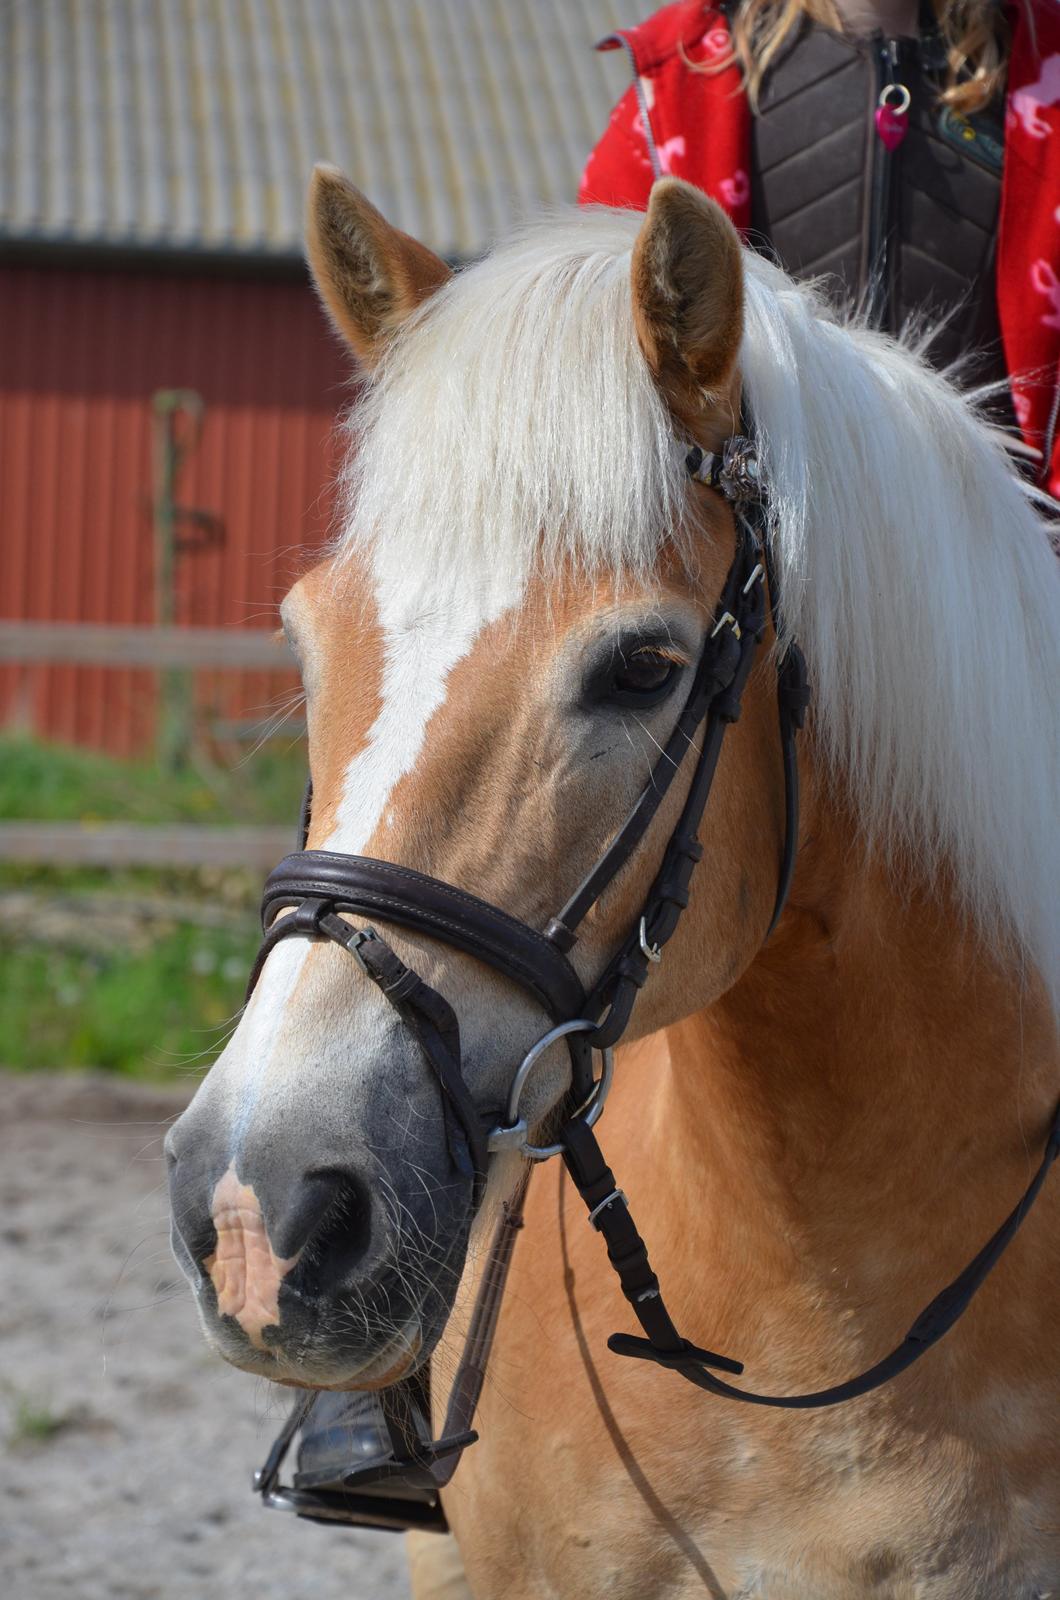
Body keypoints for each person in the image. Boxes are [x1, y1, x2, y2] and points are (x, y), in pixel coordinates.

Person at [580, 0, 1060, 495]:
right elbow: (605, 369)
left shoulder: (1045, 67)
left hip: (997, 549)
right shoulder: (679, 86)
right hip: (765, 545)